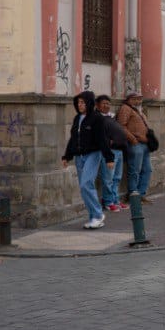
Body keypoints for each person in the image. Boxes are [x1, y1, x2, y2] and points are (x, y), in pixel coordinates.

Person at [61, 91, 114, 229]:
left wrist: (109, 157)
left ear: (89, 103)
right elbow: (73, 139)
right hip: (79, 156)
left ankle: (97, 215)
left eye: (83, 102)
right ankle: (93, 218)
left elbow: (103, 139)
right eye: (78, 102)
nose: (80, 105)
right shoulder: (77, 118)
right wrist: (67, 156)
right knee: (84, 188)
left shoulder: (97, 118)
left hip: (93, 154)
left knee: (86, 184)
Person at [115, 92, 154, 205]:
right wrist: (132, 139)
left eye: (140, 99)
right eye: (136, 99)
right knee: (134, 170)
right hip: (135, 144)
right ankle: (133, 195)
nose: (138, 101)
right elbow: (121, 126)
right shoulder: (125, 108)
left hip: (144, 144)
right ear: (130, 99)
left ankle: (141, 194)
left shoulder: (137, 110)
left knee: (147, 169)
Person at [94, 95, 128, 212]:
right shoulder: (97, 118)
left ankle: (115, 200)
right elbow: (97, 135)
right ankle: (108, 202)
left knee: (117, 178)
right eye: (104, 103)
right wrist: (108, 141)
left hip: (119, 150)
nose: (106, 105)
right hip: (109, 151)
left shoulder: (111, 117)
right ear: (97, 105)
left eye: (108, 103)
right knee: (108, 178)